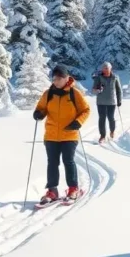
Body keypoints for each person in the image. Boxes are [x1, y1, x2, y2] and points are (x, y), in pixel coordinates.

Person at [33, 65, 91, 205]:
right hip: (51, 135)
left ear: (66, 78)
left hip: (69, 134)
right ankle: (52, 191)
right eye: (54, 78)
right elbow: (41, 108)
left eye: (59, 78)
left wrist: (78, 122)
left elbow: (86, 110)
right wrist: (38, 114)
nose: (56, 81)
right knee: (52, 163)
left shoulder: (74, 93)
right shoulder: (48, 94)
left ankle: (73, 189)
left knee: (68, 161)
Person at [91, 61, 122, 144]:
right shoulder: (98, 78)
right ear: (102, 69)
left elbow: (119, 90)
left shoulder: (115, 77)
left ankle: (112, 131)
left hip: (112, 102)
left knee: (111, 118)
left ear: (110, 68)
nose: (106, 70)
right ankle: (102, 136)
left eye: (107, 68)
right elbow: (93, 90)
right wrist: (98, 90)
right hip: (101, 102)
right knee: (102, 119)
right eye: (104, 68)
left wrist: (119, 100)